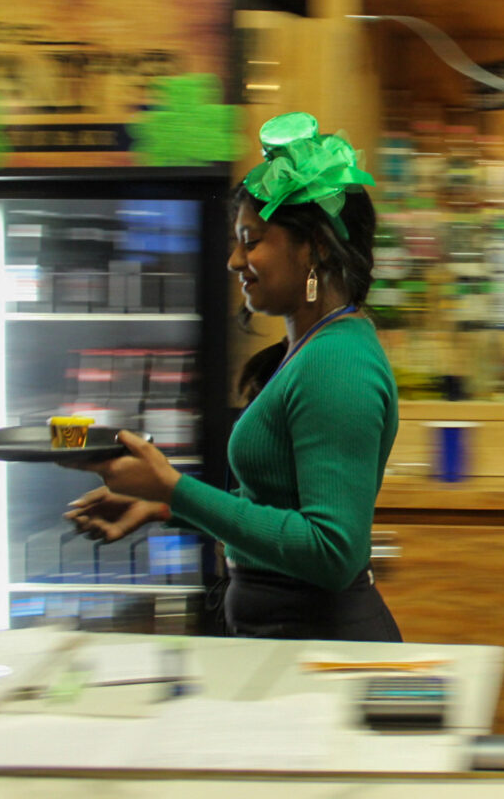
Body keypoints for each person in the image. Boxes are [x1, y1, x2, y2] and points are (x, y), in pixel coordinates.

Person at [64, 111, 402, 641]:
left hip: (320, 653)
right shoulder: (310, 348)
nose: (233, 260)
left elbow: (331, 551)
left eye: (251, 239)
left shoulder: (338, 364)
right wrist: (162, 505)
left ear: (312, 246)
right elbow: (274, 510)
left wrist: (176, 490)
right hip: (293, 643)